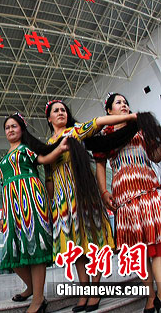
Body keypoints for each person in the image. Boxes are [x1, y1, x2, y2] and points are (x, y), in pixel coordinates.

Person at [44, 100, 137, 312]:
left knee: (93, 243)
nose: (61, 113)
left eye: (64, 110)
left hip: (84, 196)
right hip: (63, 203)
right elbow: (48, 177)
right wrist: (51, 204)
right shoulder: (48, 145)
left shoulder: (75, 131)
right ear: (48, 118)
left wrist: (130, 117)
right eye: (56, 111)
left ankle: (95, 291)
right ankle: (84, 291)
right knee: (76, 249)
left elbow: (100, 121)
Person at [93, 93, 161, 313]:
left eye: (126, 102)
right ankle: (150, 297)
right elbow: (100, 165)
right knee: (139, 253)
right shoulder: (105, 135)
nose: (124, 105)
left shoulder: (140, 127)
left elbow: (156, 156)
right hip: (124, 199)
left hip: (149, 193)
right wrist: (104, 192)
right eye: (118, 103)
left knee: (157, 249)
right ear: (109, 111)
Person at [0, 113, 69, 313]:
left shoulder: (26, 149)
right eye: (7, 128)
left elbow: (44, 158)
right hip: (11, 205)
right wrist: (4, 213)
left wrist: (61, 149)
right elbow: (4, 184)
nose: (10, 130)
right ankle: (31, 288)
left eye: (14, 126)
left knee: (34, 244)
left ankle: (38, 299)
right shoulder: (4, 157)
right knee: (12, 250)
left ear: (22, 128)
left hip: (31, 199)